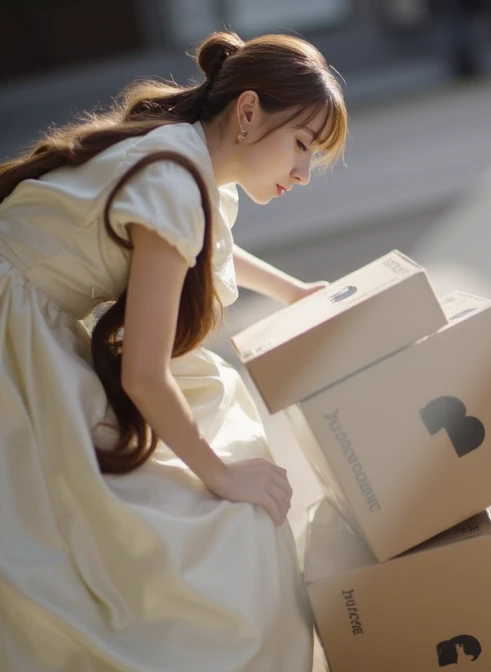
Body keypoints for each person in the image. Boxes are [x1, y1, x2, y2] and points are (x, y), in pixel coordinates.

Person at [0, 30, 347, 671]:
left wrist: (290, 290)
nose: (302, 173)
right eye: (301, 146)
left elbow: (202, 240)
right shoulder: (174, 179)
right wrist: (221, 474)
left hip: (32, 323)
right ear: (247, 113)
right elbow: (144, 376)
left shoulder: (191, 157)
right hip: (13, 339)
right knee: (78, 554)